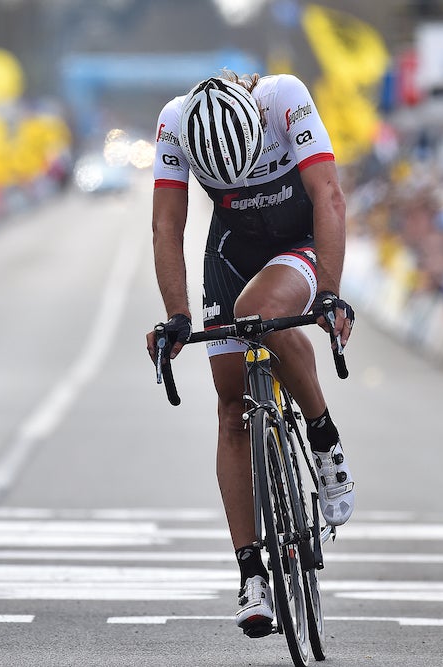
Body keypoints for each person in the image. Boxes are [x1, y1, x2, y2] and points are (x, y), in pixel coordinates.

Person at [145, 72, 356, 637]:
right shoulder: (174, 123)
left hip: (300, 241)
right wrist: (177, 316)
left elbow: (329, 195)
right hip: (231, 252)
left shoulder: (283, 98)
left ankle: (323, 436)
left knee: (258, 310)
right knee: (231, 407)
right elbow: (167, 225)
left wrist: (329, 292)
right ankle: (251, 574)